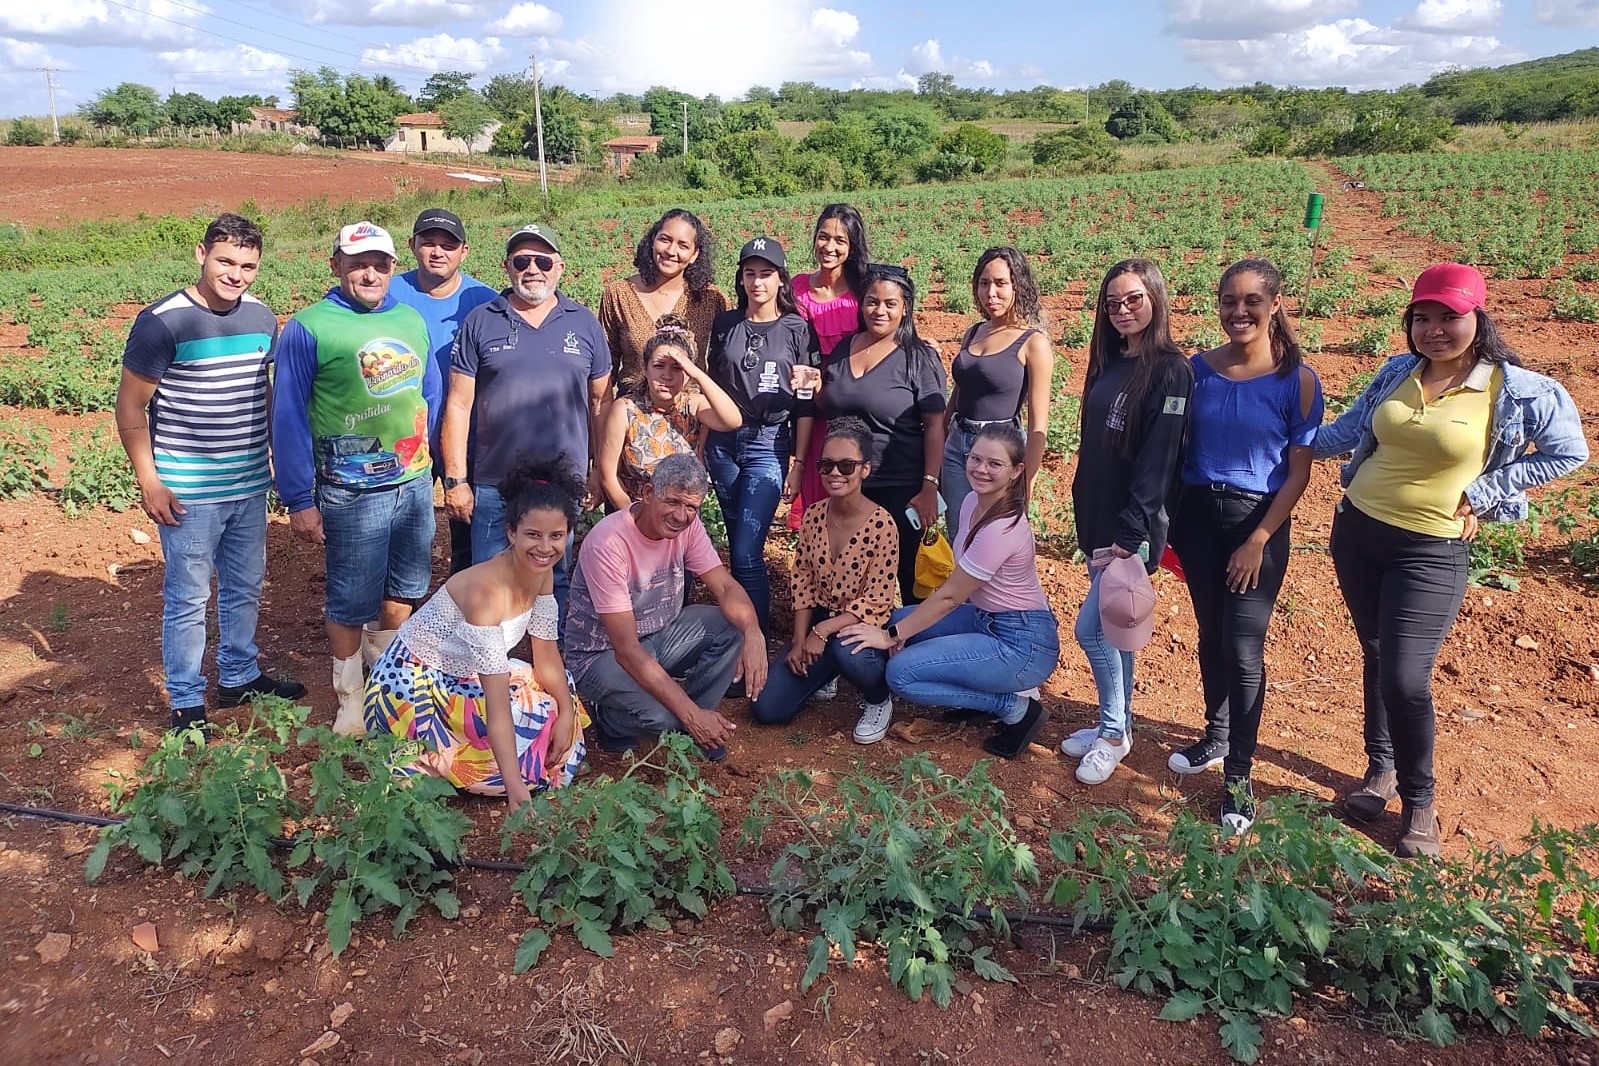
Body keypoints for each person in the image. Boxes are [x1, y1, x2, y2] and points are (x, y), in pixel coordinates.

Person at [1316, 263, 1587, 858]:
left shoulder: (1518, 389)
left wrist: (1486, 492)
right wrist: (1276, 437)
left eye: (1449, 317)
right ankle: (1381, 770)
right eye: (1423, 317)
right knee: (1377, 654)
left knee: (1405, 678)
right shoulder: (1397, 372)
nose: (1434, 329)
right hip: (1357, 532)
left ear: (1478, 319)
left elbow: (1568, 452)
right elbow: (1347, 433)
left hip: (1431, 549)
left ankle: (1419, 801)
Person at [115, 213, 306, 732]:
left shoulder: (261, 319)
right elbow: (131, 407)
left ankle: (239, 674)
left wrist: (275, 457)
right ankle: (186, 699)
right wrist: (150, 481)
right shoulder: (163, 322)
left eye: (248, 266)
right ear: (202, 255)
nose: (235, 274)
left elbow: (261, 391)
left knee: (245, 586)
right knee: (189, 597)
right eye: (226, 261)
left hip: (248, 483)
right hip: (189, 491)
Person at [1166, 258, 1324, 834]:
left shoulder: (1297, 380)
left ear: (1274, 304)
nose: (1239, 312)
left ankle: (1238, 775)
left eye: (1251, 301)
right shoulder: (1197, 371)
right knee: (1211, 633)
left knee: (1243, 647)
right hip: (1197, 519)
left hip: (1256, 522)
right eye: (1229, 301)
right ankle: (1216, 734)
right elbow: (1175, 447)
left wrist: (1258, 539)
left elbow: (1299, 473)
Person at [272, 221, 438, 733]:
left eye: (379, 264)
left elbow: (429, 392)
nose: (369, 274)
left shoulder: (410, 318)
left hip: (412, 483)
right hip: (351, 490)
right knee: (349, 597)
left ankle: (385, 682)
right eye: (357, 264)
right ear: (336, 266)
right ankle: (349, 697)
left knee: (404, 589)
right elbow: (288, 415)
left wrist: (427, 456)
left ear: (393, 267)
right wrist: (299, 498)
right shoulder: (309, 327)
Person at [364, 459, 588, 810]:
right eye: (533, 535)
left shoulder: (541, 572)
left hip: (469, 674)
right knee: (519, 729)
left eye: (556, 536)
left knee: (561, 695)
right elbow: (496, 705)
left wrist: (566, 714)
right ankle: (496, 773)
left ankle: (504, 763)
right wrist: (516, 792)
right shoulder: (485, 593)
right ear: (511, 533)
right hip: (416, 683)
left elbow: (546, 655)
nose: (545, 547)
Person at [842, 423, 1058, 759]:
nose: (981, 469)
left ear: (1017, 471)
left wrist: (889, 637)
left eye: (995, 464)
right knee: (901, 619)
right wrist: (900, 630)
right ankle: (979, 690)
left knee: (901, 673)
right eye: (976, 458)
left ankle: (1014, 708)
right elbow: (955, 586)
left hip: (1022, 642)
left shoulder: (1002, 528)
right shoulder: (973, 501)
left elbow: (951, 597)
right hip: (985, 618)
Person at [1062, 259, 1193, 786]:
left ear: (1155, 299)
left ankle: (1114, 733)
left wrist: (1130, 533)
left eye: (1133, 299)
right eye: (1112, 302)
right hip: (1099, 515)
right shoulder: (1110, 359)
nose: (1122, 310)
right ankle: (1114, 724)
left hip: (1129, 528)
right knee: (1117, 630)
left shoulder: (1170, 371)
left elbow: (1160, 459)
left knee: (1092, 631)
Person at [441, 223, 611, 609]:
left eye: (543, 261)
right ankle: (491, 650)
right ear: (507, 267)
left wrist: (599, 471)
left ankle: (548, 649)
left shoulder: (583, 323)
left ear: (560, 267)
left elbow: (601, 402)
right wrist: (456, 479)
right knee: (489, 582)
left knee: (554, 580)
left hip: (563, 484)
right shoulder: (481, 321)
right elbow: (459, 404)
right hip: (495, 482)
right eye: (522, 261)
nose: (532, 269)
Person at [564, 453, 768, 759]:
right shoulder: (608, 544)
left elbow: (725, 586)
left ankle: (694, 725)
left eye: (691, 507)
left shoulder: (689, 528)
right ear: (648, 493)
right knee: (665, 718)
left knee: (733, 625)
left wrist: (753, 631)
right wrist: (687, 713)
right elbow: (627, 650)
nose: (681, 516)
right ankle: (611, 721)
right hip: (601, 655)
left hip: (658, 635)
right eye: (672, 502)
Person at [751, 418, 898, 741]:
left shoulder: (883, 525)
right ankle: (827, 672)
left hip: (859, 625)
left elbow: (877, 600)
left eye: (846, 465)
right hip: (820, 619)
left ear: (865, 469)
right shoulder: (814, 514)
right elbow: (803, 580)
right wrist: (800, 641)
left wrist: (822, 631)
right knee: (767, 708)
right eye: (826, 465)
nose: (835, 473)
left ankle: (878, 698)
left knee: (848, 650)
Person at [705, 236, 821, 631]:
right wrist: (703, 445)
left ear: (781, 279)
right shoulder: (725, 325)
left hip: (768, 443)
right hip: (722, 444)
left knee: (746, 551)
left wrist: (798, 463)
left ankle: (755, 638)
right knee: (736, 542)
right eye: (750, 273)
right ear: (740, 279)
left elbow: (805, 403)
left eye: (766, 274)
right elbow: (712, 386)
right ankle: (740, 636)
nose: (757, 282)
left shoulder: (797, 329)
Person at [814, 265, 947, 605]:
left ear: (905, 308)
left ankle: (911, 638)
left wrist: (929, 486)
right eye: (872, 301)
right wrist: (814, 388)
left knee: (911, 580)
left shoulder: (918, 357)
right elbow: (831, 404)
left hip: (900, 487)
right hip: (849, 484)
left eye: (890, 303)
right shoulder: (844, 349)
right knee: (849, 578)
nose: (880, 311)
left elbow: (936, 426)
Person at [388, 208, 497, 575]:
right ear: (412, 245)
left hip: (467, 436)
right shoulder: (388, 293)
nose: (437, 252)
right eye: (428, 243)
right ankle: (402, 606)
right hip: (403, 436)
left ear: (464, 252)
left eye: (448, 245)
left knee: (468, 532)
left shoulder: (484, 301)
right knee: (403, 535)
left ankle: (462, 601)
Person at [942, 247, 1055, 542]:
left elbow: (1038, 425)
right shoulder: (973, 332)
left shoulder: (1033, 343)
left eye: (1000, 283)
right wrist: (941, 441)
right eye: (984, 283)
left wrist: (1025, 484)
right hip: (957, 446)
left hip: (1000, 451)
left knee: (993, 537)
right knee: (958, 533)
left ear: (1018, 285)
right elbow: (958, 392)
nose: (990, 293)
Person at [596, 315, 741, 510]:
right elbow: (608, 475)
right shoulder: (626, 409)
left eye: (677, 368)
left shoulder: (693, 405)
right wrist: (635, 519)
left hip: (682, 516)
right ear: (645, 369)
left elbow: (733, 420)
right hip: (635, 513)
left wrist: (697, 373)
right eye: (658, 366)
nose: (667, 375)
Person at [787, 203, 871, 530]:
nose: (829, 247)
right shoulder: (797, 289)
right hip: (809, 408)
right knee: (816, 488)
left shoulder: (863, 292)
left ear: (852, 246)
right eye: (824, 237)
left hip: (851, 406)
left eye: (840, 240)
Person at [599, 208, 728, 389]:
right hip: (632, 403)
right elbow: (605, 363)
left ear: (694, 254)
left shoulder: (711, 298)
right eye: (665, 240)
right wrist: (602, 405)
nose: (671, 251)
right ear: (653, 241)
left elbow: (725, 359)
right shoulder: (619, 293)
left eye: (683, 245)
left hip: (691, 403)